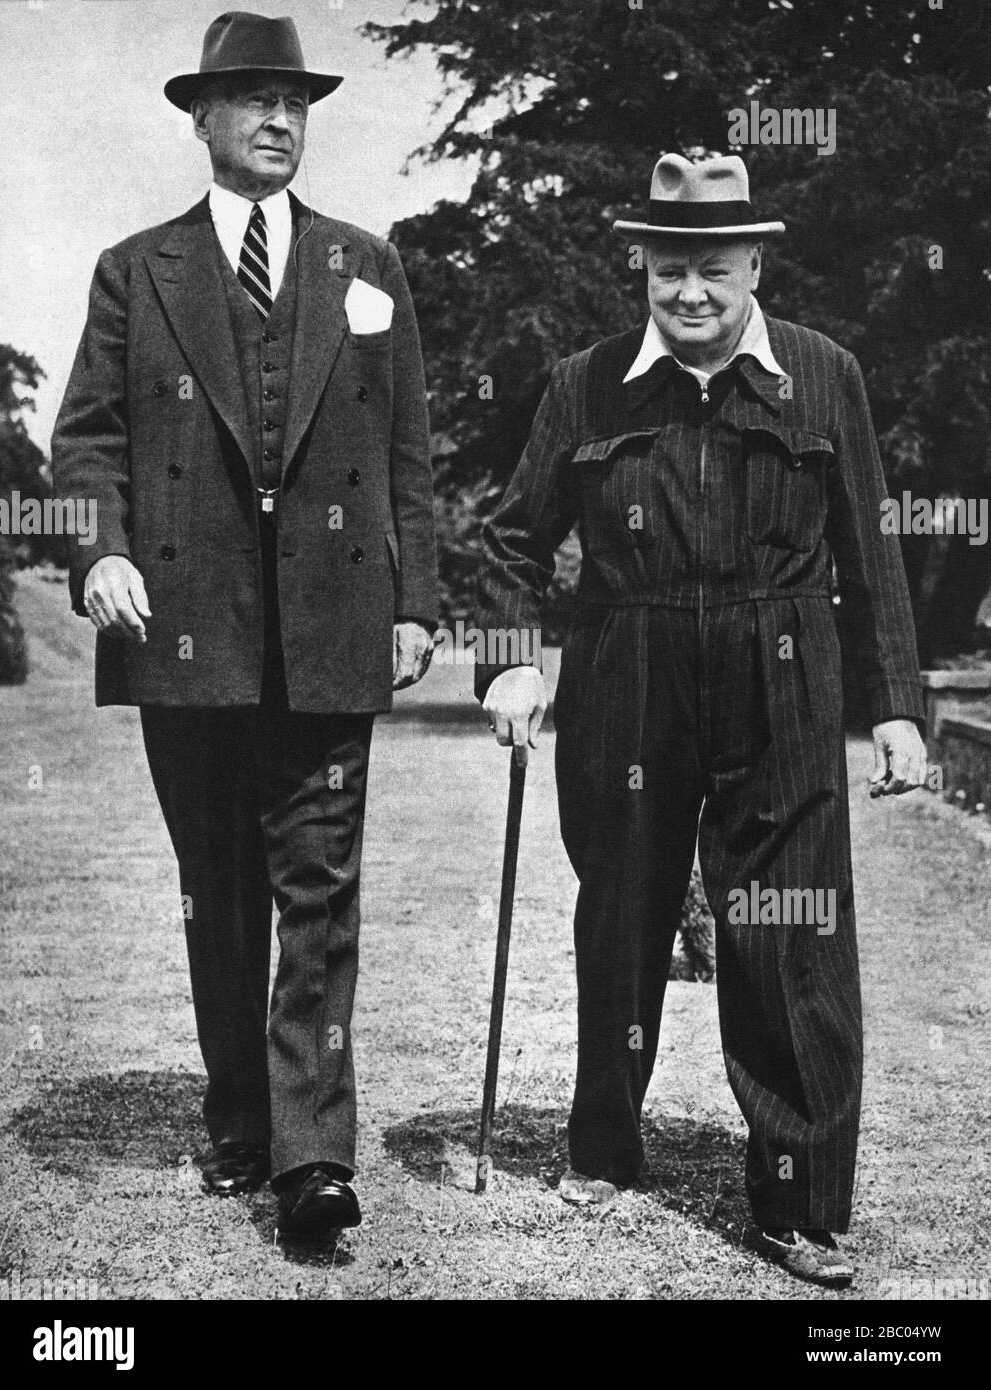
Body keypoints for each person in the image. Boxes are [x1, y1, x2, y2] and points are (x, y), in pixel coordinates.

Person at [474, 153, 926, 1287]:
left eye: (712, 271)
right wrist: (508, 665)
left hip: (785, 674)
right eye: (669, 269)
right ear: (643, 264)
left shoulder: (825, 376)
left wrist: (900, 709)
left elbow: (872, 558)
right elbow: (508, 541)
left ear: (755, 264)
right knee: (620, 916)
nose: (689, 294)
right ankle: (604, 1151)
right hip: (628, 665)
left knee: (793, 930)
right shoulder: (587, 384)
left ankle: (801, 1198)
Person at [52, 11, 437, 1240]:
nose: (281, 118)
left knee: (319, 889)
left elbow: (408, 453)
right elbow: (88, 437)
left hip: (330, 631)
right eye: (255, 98)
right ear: (202, 119)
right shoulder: (137, 270)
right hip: (184, 632)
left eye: (297, 100)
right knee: (217, 894)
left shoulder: (367, 268)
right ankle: (239, 1121)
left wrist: (416, 599)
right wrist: (101, 549)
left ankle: (313, 1160)